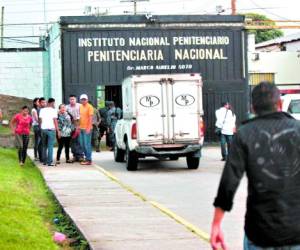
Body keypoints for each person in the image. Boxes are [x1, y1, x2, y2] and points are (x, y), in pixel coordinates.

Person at [211, 82, 300, 250]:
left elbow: (229, 181)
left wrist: (216, 224)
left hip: (259, 232)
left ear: (253, 108)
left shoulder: (244, 133)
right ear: (280, 104)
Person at [39, 98, 59, 166]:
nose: (54, 104)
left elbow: (40, 120)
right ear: (52, 103)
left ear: (47, 102)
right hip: (51, 130)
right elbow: (55, 121)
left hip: (43, 129)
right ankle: (49, 162)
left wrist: (41, 128)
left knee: (44, 146)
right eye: (54, 103)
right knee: (50, 146)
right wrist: (57, 130)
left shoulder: (42, 110)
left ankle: (44, 161)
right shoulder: (54, 110)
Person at [66, 95, 84, 162]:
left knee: (79, 140)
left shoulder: (80, 106)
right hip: (71, 126)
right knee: (73, 141)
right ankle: (74, 156)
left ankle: (80, 156)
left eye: (73, 99)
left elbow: (82, 116)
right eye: (71, 99)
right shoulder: (66, 107)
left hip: (79, 124)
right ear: (69, 100)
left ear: (76, 100)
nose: (72, 100)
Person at [79, 94, 94, 165]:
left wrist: (88, 127)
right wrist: (78, 126)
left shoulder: (90, 107)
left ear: (87, 100)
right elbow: (80, 117)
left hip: (87, 129)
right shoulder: (80, 107)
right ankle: (87, 157)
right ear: (80, 100)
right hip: (81, 128)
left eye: (85, 99)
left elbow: (91, 118)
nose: (83, 100)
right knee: (82, 144)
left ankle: (89, 159)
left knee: (87, 144)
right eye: (82, 99)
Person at [37, 97, 47, 162]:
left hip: (45, 127)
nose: (44, 103)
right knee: (42, 144)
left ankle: (42, 157)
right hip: (41, 128)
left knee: (42, 143)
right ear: (40, 103)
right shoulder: (40, 110)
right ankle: (43, 158)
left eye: (45, 102)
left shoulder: (45, 110)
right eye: (43, 102)